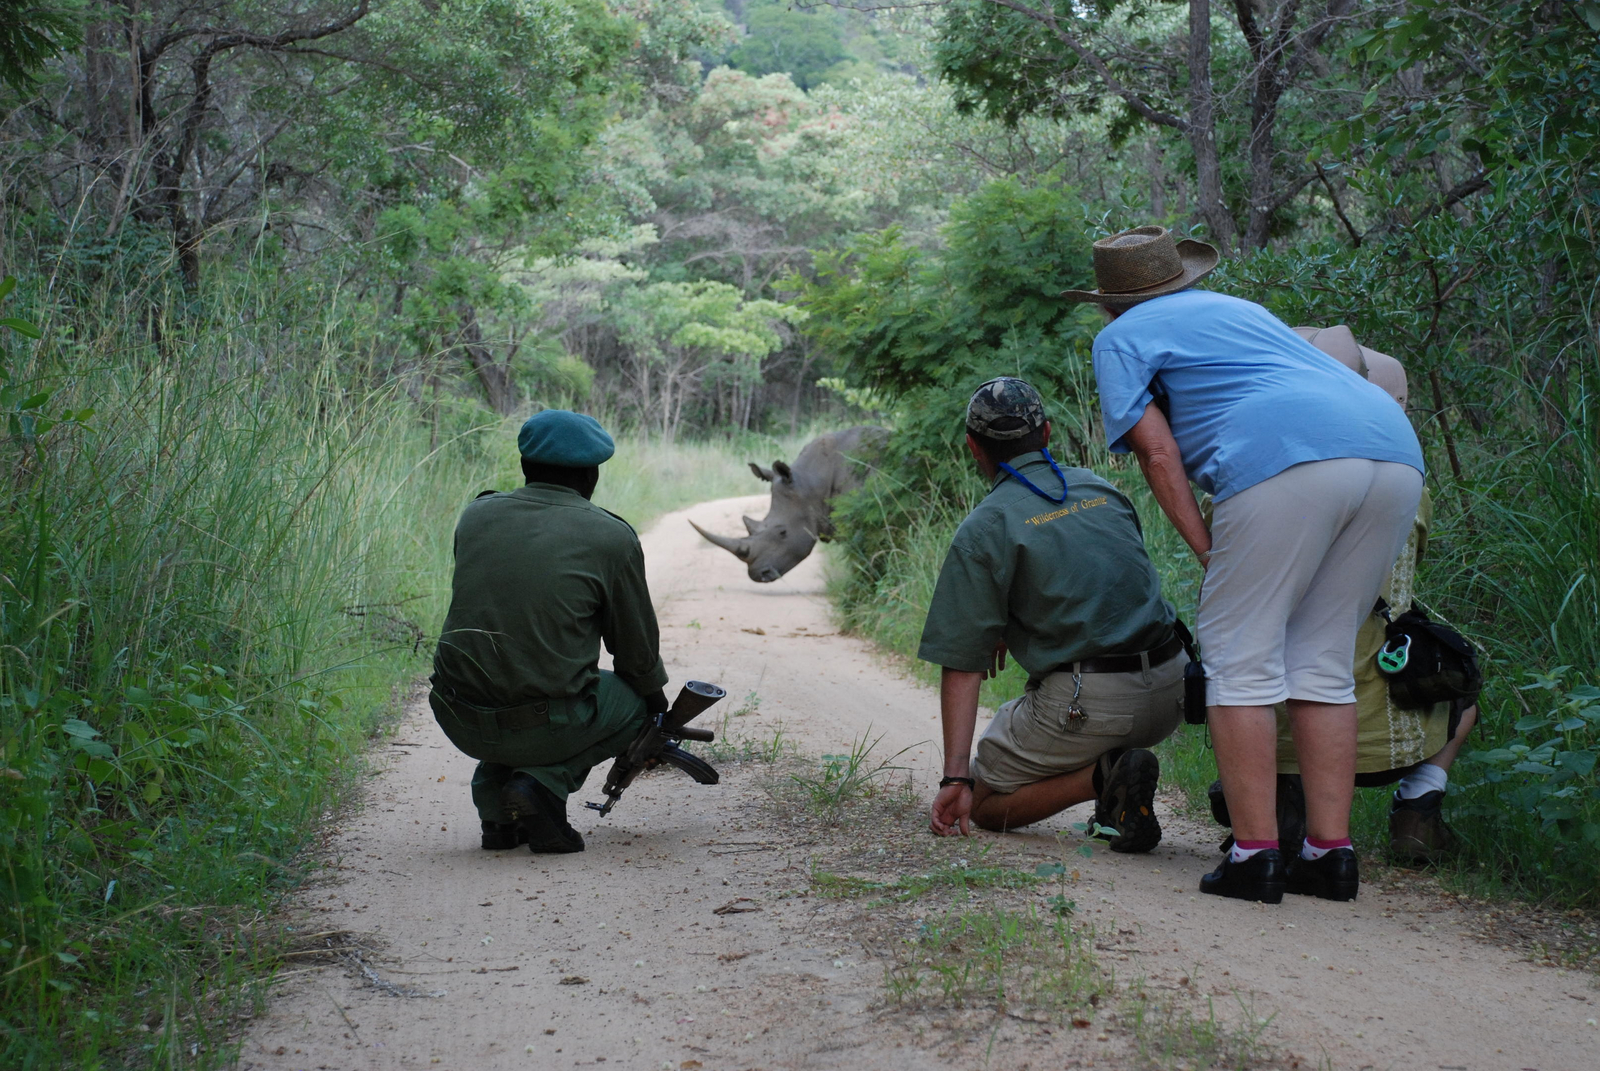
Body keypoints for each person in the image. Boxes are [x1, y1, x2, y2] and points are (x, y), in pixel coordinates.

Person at [1063, 226, 1425, 903]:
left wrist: (1208, 549)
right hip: (1393, 450)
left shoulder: (1118, 338)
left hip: (1287, 456)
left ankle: (1255, 856)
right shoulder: (1241, 311)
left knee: (1237, 654)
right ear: (1182, 279)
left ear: (1109, 303)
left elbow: (1159, 456)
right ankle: (1329, 854)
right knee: (1320, 657)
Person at [1208, 326, 1479, 865]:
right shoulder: (1408, 483)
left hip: (1272, 715)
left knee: (1243, 659)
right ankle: (1417, 803)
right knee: (1464, 684)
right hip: (1383, 717)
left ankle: (1271, 809)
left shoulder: (1260, 476)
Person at [922, 377, 1187, 852]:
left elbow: (962, 664)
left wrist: (956, 778)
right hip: (1174, 688)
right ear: (1046, 433)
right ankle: (1117, 791)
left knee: (984, 801)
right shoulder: (1100, 488)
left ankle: (1106, 775)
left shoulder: (986, 526)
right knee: (1071, 709)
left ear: (973, 448)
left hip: (1095, 705)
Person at [429, 410, 670, 854]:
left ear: (525, 467)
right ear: (591, 474)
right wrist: (658, 712)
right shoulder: (609, 536)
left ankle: (497, 815)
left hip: (456, 714)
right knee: (634, 704)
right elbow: (636, 656)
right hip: (540, 724)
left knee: (511, 677)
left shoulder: (475, 516)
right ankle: (541, 786)